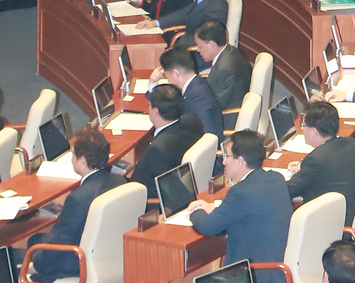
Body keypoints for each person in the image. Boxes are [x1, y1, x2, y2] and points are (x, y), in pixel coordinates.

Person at [188, 130, 292, 283]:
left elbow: (207, 226)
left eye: (227, 156)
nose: (224, 162)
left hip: (255, 273)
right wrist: (215, 206)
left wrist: (195, 211)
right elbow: (247, 204)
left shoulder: (241, 193)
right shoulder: (275, 178)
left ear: (240, 161)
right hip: (277, 270)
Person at [23, 130, 126, 283]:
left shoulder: (77, 199)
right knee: (35, 239)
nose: (71, 159)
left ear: (82, 160)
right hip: (110, 256)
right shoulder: (120, 182)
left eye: (73, 155)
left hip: (76, 264)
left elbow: (61, 243)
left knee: (12, 257)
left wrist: (36, 266)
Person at [286, 102, 355, 226]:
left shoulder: (316, 160)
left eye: (304, 125)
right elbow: (332, 166)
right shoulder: (352, 143)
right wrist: (304, 169)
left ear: (314, 132)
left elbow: (287, 191)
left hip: (335, 226)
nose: (303, 129)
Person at [136, 0, 229, 60]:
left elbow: (206, 41)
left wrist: (175, 52)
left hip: (196, 55)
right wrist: (155, 23)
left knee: (150, 58)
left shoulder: (217, 7)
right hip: (184, 47)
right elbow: (182, 14)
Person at [131, 84, 204, 195]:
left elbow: (136, 186)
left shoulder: (157, 149)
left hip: (154, 200)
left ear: (156, 111)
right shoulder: (192, 120)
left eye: (150, 105)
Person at [148, 45, 224, 144]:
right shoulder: (196, 84)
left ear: (176, 74)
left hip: (199, 149)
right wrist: (152, 84)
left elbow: (205, 140)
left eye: (167, 77)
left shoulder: (197, 97)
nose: (168, 81)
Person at [194, 20, 252, 130]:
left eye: (199, 46)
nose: (197, 50)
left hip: (225, 122)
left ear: (211, 44)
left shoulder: (225, 70)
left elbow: (212, 107)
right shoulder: (230, 51)